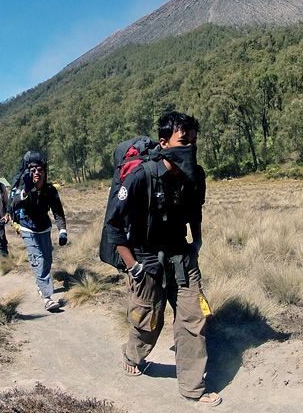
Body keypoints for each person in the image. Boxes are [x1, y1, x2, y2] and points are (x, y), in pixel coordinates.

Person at [104, 111, 220, 407]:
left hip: (181, 255)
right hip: (145, 259)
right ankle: (133, 354)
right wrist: (134, 266)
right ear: (164, 142)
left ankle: (193, 387)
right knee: (148, 321)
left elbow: (195, 211)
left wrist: (198, 241)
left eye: (194, 141)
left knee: (193, 318)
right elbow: (114, 226)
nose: (190, 148)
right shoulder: (142, 176)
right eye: (184, 141)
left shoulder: (195, 175)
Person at [11, 151, 67, 312]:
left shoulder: (50, 190)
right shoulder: (25, 188)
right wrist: (26, 192)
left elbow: (57, 211)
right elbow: (14, 204)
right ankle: (47, 297)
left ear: (45, 172)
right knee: (39, 259)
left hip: (44, 228)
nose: (36, 172)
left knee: (48, 259)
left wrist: (62, 230)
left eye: (40, 170)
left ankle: (40, 283)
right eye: (33, 170)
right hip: (28, 228)